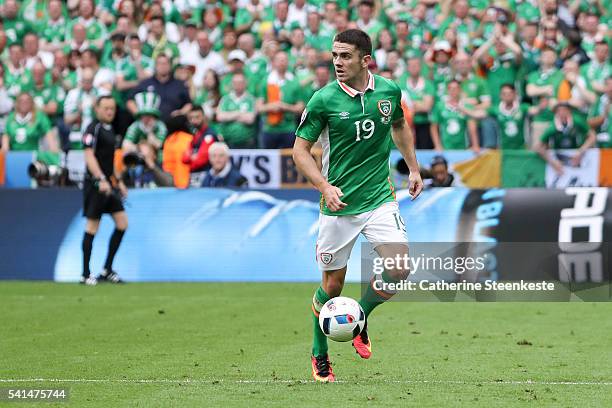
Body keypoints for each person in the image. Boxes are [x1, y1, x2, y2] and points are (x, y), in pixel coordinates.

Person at [293, 29, 423, 382]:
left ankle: (358, 316)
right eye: (334, 56)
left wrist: (412, 167)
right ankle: (319, 354)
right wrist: (324, 185)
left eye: (345, 56)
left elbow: (399, 125)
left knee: (399, 268)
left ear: (366, 60)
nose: (337, 62)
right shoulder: (323, 100)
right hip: (338, 205)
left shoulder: (389, 91)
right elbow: (299, 151)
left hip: (380, 197)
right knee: (332, 287)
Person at [81, 95, 128, 285]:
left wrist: (118, 181)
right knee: (93, 227)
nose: (110, 112)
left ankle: (107, 269)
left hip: (109, 185)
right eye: (106, 108)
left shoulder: (110, 129)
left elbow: (109, 160)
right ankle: (85, 274)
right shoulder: (94, 129)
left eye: (112, 108)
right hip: (96, 186)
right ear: (97, 109)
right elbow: (89, 156)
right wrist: (100, 178)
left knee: (122, 223)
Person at [534, 102, 596, 175]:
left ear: (569, 111)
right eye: (559, 111)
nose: (562, 113)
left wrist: (581, 151)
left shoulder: (577, 121)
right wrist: (553, 162)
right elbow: (538, 147)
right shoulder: (552, 127)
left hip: (578, 156)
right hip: (559, 158)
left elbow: (593, 136)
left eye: (564, 110)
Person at [216, 72, 257, 148]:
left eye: (240, 82)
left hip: (246, 142)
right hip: (227, 141)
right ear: (231, 84)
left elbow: (250, 119)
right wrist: (239, 113)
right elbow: (220, 117)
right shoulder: (225, 99)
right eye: (235, 82)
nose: (237, 85)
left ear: (245, 83)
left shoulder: (251, 99)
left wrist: (229, 116)